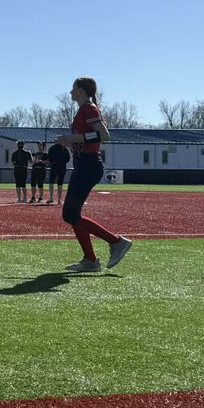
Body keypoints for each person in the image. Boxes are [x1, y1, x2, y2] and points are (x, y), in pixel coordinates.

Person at [54, 77, 132, 272]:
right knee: (72, 214)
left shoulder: (88, 108)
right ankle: (90, 260)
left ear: (81, 90)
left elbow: (104, 135)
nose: (70, 92)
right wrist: (71, 141)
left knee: (70, 214)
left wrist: (73, 138)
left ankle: (116, 242)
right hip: (83, 164)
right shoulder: (85, 109)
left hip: (88, 165)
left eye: (73, 88)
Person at [46, 139, 70, 205]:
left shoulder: (52, 148)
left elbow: (49, 158)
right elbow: (68, 158)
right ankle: (59, 199)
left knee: (51, 181)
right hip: (62, 166)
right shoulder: (64, 149)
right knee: (60, 182)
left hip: (54, 165)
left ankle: (51, 197)